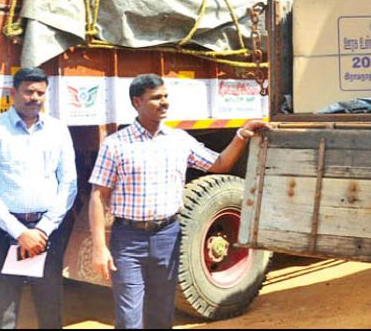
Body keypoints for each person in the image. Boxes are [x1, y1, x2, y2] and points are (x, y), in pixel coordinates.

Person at [88, 73, 270, 329]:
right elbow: (98, 196)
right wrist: (99, 248)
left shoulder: (179, 140)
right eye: (156, 98)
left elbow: (219, 164)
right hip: (128, 240)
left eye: (165, 97)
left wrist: (241, 135)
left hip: (168, 237)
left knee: (162, 314)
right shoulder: (116, 144)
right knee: (129, 318)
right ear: (137, 102)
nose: (164, 103)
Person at [0, 67, 77, 329]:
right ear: (13, 93)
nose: (35, 98)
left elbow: (69, 184)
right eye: (28, 91)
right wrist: (20, 232)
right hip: (7, 232)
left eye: (40, 92)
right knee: (6, 310)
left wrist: (43, 228)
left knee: (50, 306)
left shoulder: (58, 130)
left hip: (46, 232)